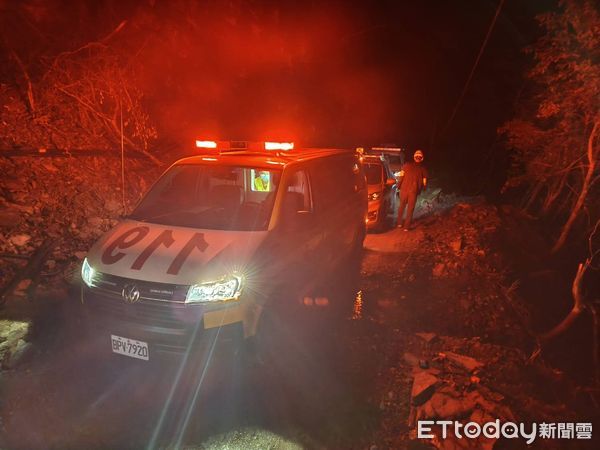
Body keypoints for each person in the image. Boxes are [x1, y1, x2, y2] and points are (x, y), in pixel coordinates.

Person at [397, 149, 428, 231]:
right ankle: (406, 227)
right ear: (422, 158)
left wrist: (398, 186)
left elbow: (401, 176)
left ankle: (399, 223)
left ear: (414, 157)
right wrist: (422, 189)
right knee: (410, 209)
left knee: (401, 207)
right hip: (413, 192)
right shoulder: (423, 169)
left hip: (404, 190)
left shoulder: (406, 165)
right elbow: (424, 182)